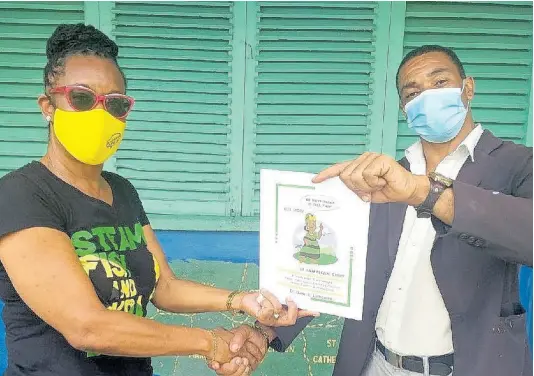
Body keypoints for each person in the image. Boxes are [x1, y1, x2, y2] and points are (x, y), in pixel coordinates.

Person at [0, 23, 315, 376]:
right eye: (82, 98)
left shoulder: (122, 191)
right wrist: (210, 343)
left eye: (115, 104)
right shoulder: (20, 195)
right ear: (48, 105)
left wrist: (242, 300)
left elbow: (164, 286)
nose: (100, 114)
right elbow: (87, 327)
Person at [216, 45, 533, 376]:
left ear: (468, 87)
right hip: (376, 364)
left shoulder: (516, 164)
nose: (428, 97)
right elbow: (331, 271)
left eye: (440, 83)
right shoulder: (383, 179)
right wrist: (266, 332)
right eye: (413, 92)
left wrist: (421, 190)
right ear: (404, 108)